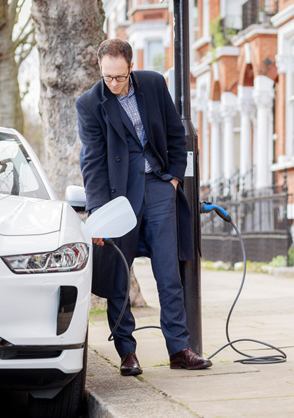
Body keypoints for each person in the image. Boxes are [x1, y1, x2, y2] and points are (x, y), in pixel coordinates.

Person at [76, 39, 211, 376]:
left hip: (159, 189)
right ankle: (127, 352)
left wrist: (174, 180)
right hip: (119, 199)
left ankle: (180, 348)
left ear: (131, 68)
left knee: (168, 273)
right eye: (107, 77)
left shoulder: (152, 84)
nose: (113, 84)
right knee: (119, 278)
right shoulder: (90, 104)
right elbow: (92, 161)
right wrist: (99, 214)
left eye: (119, 77)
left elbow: (176, 134)